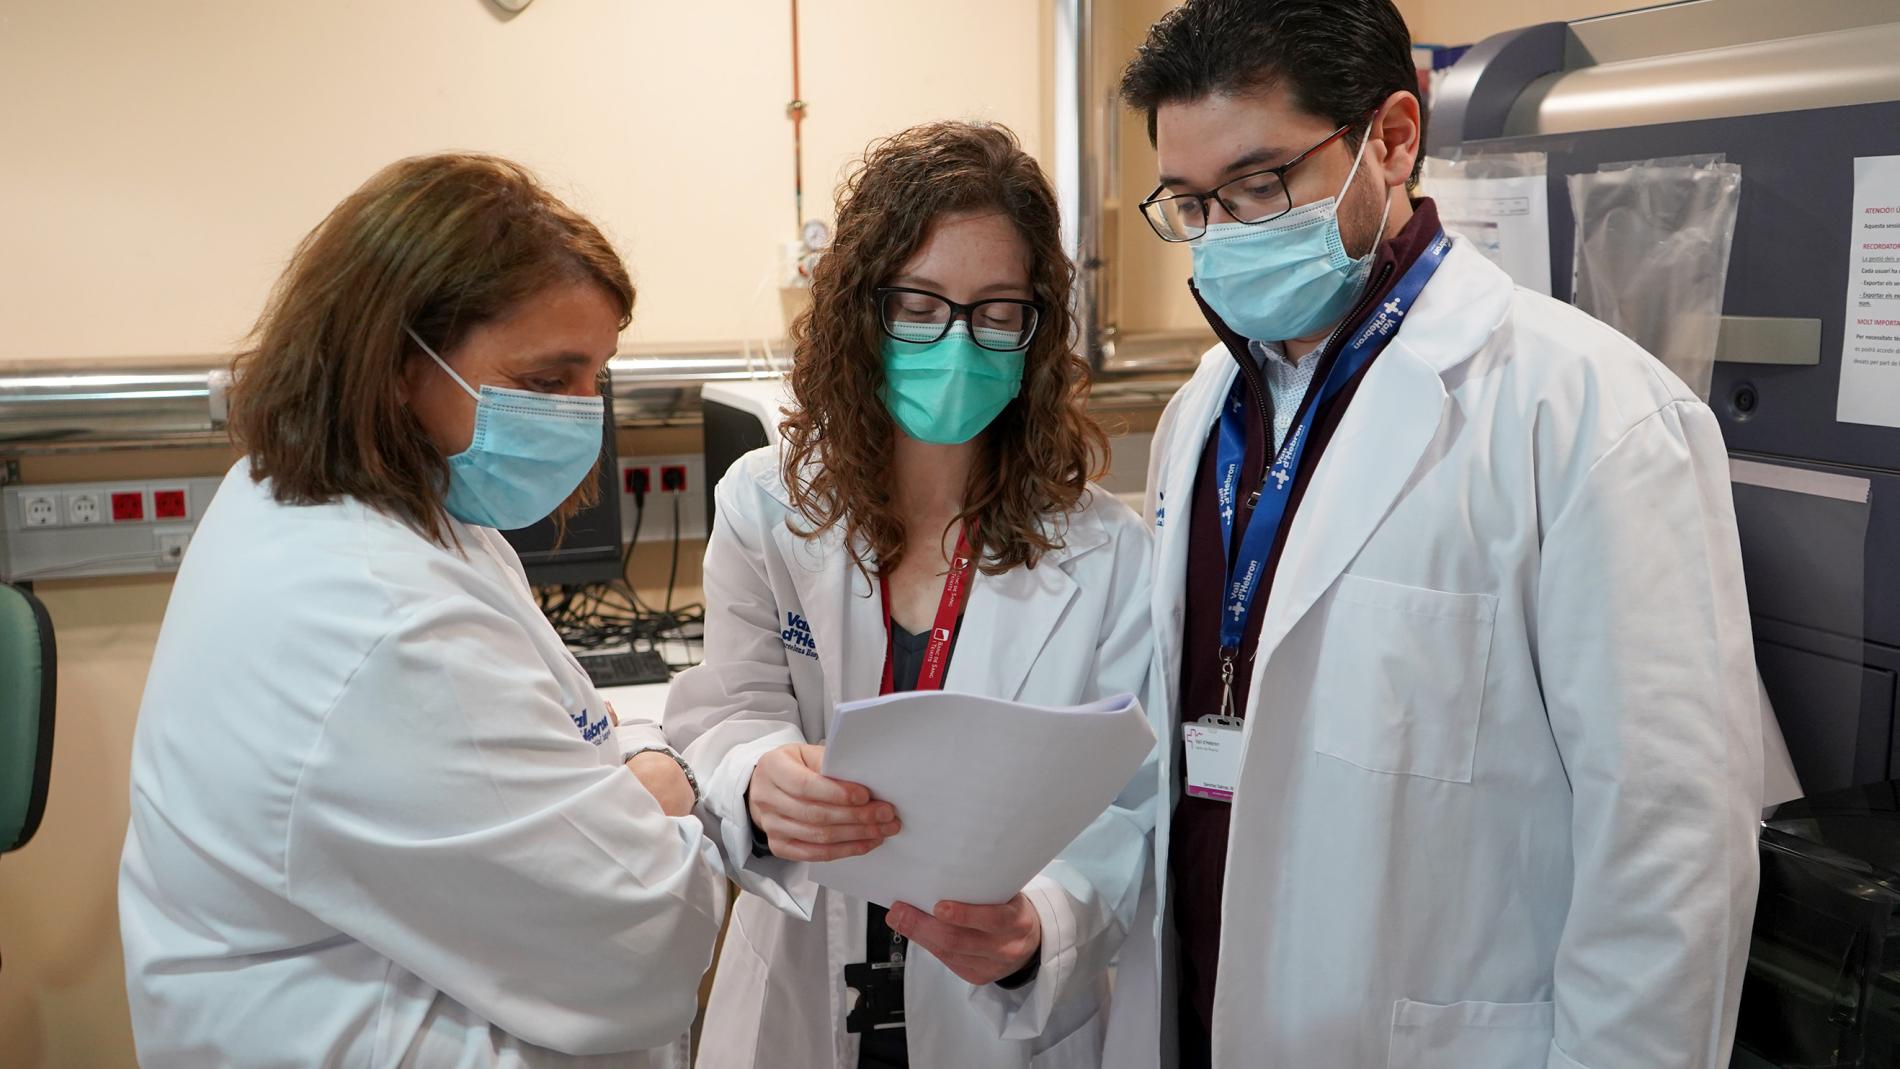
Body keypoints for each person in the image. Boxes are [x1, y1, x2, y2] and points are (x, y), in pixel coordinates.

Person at [1105, 2, 1765, 1067]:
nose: (1225, 234)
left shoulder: (1588, 416)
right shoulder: (1204, 413)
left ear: (1394, 138)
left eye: (1260, 185)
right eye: (1190, 203)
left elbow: (1668, 851)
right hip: (1200, 1014)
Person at [118, 153, 727, 1067]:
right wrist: (663, 785)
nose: (583, 417)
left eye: (595, 379)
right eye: (548, 380)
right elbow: (644, 940)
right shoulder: (379, 616)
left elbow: (572, 740)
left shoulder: (351, 502)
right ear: (401, 366)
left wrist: (624, 782)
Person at [662, 120, 1157, 1069]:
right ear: (862, 311)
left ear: (1037, 331)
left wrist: (1041, 925)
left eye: (998, 312)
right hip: (800, 1000)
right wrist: (760, 778)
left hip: (996, 1017)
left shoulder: (1106, 552)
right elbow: (730, 711)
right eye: (920, 306)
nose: (958, 342)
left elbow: (1126, 806)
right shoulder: (765, 506)